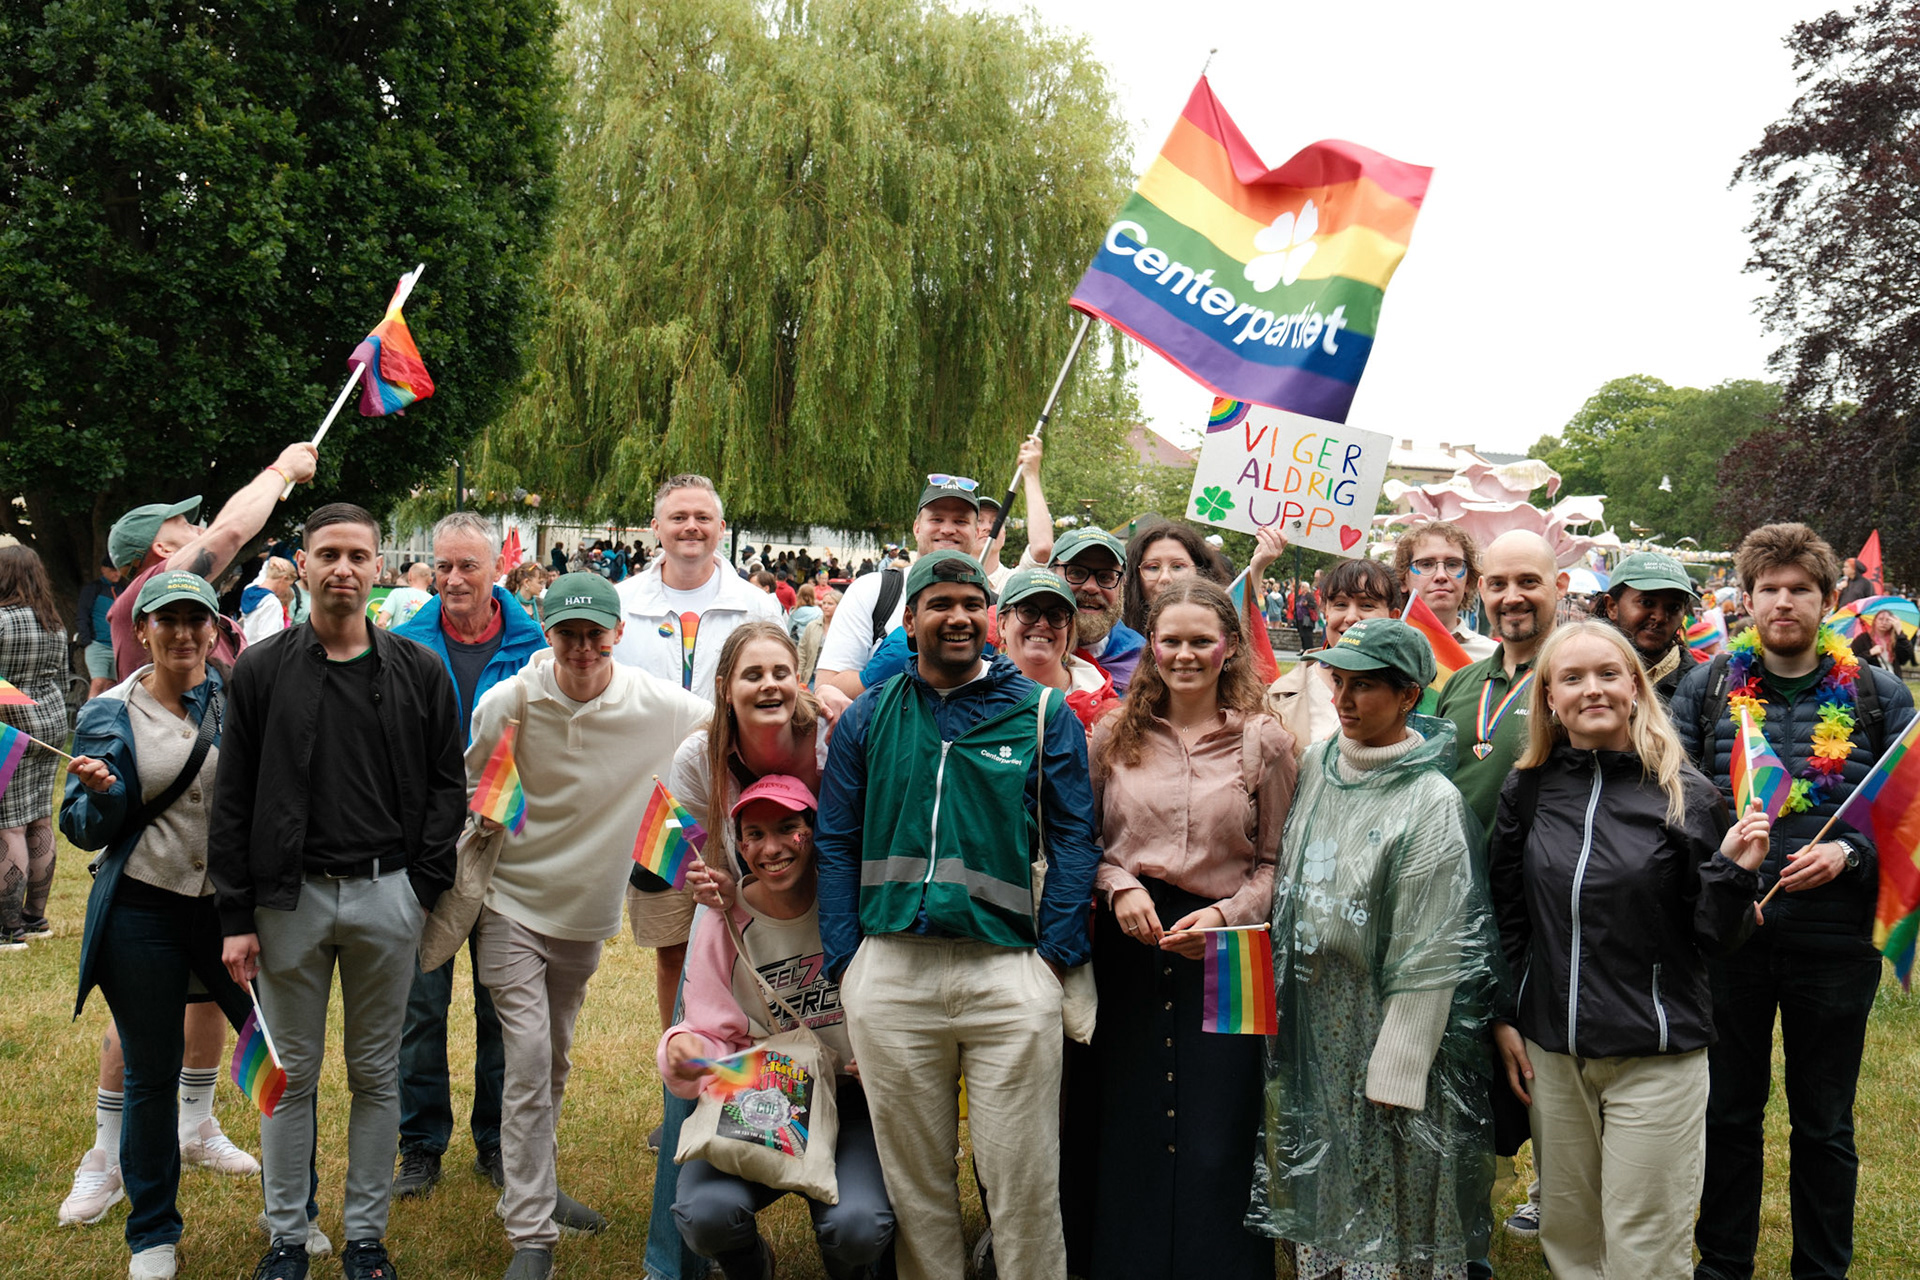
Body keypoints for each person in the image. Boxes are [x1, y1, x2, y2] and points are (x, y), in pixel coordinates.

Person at [816, 550, 1101, 1280]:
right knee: (915, 1187)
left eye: (972, 603)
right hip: (891, 972)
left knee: (1023, 1181)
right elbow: (836, 842)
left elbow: (1075, 842)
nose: (958, 617)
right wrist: (848, 963)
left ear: (991, 618)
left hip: (1008, 973)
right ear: (909, 622)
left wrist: (1052, 960)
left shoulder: (1043, 715)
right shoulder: (868, 717)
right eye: (939, 603)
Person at [212, 502, 465, 1280]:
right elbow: (234, 796)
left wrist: (422, 887)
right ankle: (287, 1236)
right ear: (305, 563)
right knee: (289, 1077)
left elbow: (445, 788)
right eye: (329, 554)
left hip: (389, 895)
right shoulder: (262, 670)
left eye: (358, 555)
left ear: (378, 566)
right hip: (288, 902)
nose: (343, 569)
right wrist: (235, 914)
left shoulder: (419, 670)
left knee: (376, 1074)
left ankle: (365, 1239)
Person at [1672, 523, 1916, 1280]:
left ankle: (1821, 1270)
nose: (1784, 601)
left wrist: (1851, 854)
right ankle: (1724, 1266)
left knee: (1825, 1124)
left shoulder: (1877, 693)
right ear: (1745, 601)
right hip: (1732, 941)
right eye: (1769, 589)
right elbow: (1671, 802)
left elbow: (1910, 811)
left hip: (1834, 945)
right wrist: (1722, 871)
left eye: (1800, 589)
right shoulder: (1706, 688)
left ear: (1828, 599)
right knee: (1728, 1115)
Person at [1490, 621, 1769, 1279]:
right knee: (1570, 1233)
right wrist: (1505, 1013)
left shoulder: (1687, 796)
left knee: (1644, 1244)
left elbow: (1718, 938)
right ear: (1550, 698)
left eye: (1608, 674)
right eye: (1573, 678)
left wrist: (1733, 874)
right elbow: (1506, 917)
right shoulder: (1527, 789)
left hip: (1656, 1054)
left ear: (1636, 688)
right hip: (1555, 1055)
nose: (1592, 689)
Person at [467, 573, 709, 1280]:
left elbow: (730, 722)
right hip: (510, 903)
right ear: (547, 635)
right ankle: (531, 1235)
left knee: (555, 1059)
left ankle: (534, 1186)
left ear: (618, 634)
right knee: (528, 1056)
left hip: (584, 916)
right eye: (567, 635)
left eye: (594, 635)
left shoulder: (657, 705)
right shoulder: (510, 701)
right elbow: (474, 785)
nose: (581, 648)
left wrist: (819, 705)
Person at [1247, 617, 1499, 1280]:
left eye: (1363, 686)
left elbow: (1431, 948)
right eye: (1339, 682)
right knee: (1325, 1169)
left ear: (1409, 694)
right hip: (1317, 1013)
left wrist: (1400, 1063)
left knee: (1389, 1179)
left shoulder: (1430, 802)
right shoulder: (1318, 765)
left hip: (1380, 1019)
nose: (1343, 700)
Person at [1086, 578, 1295, 1278]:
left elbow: (1277, 864)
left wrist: (1229, 915)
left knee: (1219, 1126)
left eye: (1200, 641)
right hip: (1132, 938)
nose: (1184, 654)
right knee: (1133, 1114)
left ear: (1228, 647)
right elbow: (1083, 842)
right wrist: (1119, 886)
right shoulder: (1114, 734)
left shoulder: (1265, 742)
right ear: (1151, 646)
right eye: (1170, 640)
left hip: (1232, 945)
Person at [61, 571, 265, 1280]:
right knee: (151, 1075)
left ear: (215, 630)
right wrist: (100, 797)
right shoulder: (109, 712)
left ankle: (292, 1215)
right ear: (141, 630)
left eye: (195, 620)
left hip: (231, 913)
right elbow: (83, 829)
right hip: (143, 910)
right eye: (167, 620)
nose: (183, 634)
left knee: (276, 1055)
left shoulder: (240, 698)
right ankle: (152, 1235)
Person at [663, 777, 896, 1280]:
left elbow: (896, 999)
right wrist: (684, 1047)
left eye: (788, 828)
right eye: (754, 834)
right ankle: (751, 1267)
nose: (771, 848)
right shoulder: (723, 920)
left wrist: (883, 1053)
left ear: (814, 830)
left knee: (858, 1226)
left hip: (852, 1102)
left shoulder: (855, 901)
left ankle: (847, 1267)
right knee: (705, 1215)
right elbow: (706, 1026)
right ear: (740, 845)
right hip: (758, 1098)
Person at [390, 512, 547, 1201]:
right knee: (420, 1006)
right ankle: (421, 1144)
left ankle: (496, 1142)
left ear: (497, 569)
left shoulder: (535, 645)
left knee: (501, 1005)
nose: (453, 579)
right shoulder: (403, 644)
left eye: (468, 566)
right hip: (424, 850)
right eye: (444, 566)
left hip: (509, 848)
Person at [609, 475, 782, 1030]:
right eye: (678, 517)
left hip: (736, 795)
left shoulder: (756, 605)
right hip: (656, 803)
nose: (691, 527)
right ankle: (679, 1061)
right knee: (674, 946)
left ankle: (740, 1053)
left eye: (703, 517)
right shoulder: (623, 603)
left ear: (721, 528)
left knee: (747, 937)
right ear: (655, 527)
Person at [104, 440, 319, 679]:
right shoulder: (142, 596)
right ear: (162, 548)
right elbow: (231, 531)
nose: (201, 530)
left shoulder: (219, 624)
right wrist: (284, 470)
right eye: (186, 526)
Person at [812, 474, 984, 707]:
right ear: (917, 528)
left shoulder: (993, 607)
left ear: (977, 532)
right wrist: (874, 678)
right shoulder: (872, 591)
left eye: (960, 521)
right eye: (936, 519)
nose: (947, 529)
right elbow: (826, 689)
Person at [0, 545, 70, 949]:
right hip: (50, 726)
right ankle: (35, 917)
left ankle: (8, 928)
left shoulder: (1, 621)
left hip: (9, 728)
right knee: (39, 819)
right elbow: (62, 675)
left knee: (8, 824)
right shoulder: (53, 622)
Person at [1265, 557, 1403, 759]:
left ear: (1394, 617)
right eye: (1340, 604)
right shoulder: (1278, 696)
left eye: (1367, 605)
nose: (1351, 617)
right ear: (1326, 612)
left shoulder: (1411, 692)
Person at [998, 567, 1117, 729]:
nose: (1042, 623)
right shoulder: (973, 696)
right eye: (1028, 611)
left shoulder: (1106, 713)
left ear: (1068, 629)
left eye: (1055, 615)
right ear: (1002, 625)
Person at [1591, 550, 1701, 702]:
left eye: (1674, 607)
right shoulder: (1580, 673)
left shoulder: (1702, 687)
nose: (1660, 617)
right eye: (1646, 603)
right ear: (1612, 607)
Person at [1050, 527, 1146, 696]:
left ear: (1122, 584)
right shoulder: (1016, 648)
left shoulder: (1143, 662)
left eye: (1105, 577)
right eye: (1077, 573)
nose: (1091, 587)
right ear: (1050, 575)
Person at [1394, 521, 1499, 661]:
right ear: (1403, 580)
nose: (1441, 575)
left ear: (1468, 581)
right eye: (1426, 564)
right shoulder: (1383, 651)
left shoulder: (1493, 657)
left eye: (1453, 564)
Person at [1118, 520, 1232, 636]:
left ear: (1201, 571)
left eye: (1177, 567)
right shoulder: (1115, 640)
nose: (1165, 578)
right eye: (1153, 568)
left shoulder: (1225, 636)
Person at [77, 556, 126, 699]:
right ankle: (90, 712)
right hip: (97, 644)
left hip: (116, 647)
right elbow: (82, 614)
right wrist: (87, 640)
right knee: (98, 682)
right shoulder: (93, 589)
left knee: (112, 685)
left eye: (118, 570)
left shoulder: (122, 590)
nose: (116, 573)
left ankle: (104, 712)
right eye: (112, 570)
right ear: (103, 570)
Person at [240, 557, 299, 644]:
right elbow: (268, 641)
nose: (288, 589)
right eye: (289, 585)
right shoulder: (272, 603)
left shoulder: (249, 590)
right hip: (259, 650)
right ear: (283, 579)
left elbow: (263, 574)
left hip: (246, 645)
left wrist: (271, 560)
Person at [375, 561, 436, 630]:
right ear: (431, 580)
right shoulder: (433, 601)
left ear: (409, 576)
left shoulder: (397, 593)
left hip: (396, 636)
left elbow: (381, 622)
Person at [1852, 608, 1914, 674]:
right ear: (1875, 621)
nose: (1884, 623)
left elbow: (1906, 656)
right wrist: (1870, 653)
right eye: (1880, 619)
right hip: (1873, 676)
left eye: (1888, 620)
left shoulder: (1896, 639)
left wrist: (1899, 631)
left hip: (1893, 676)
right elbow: (1854, 660)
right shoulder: (1862, 639)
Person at [798, 590, 837, 688]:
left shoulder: (843, 629)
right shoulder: (812, 626)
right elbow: (802, 652)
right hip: (811, 677)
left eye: (830, 604)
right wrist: (798, 675)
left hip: (833, 680)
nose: (826, 606)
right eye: (824, 603)